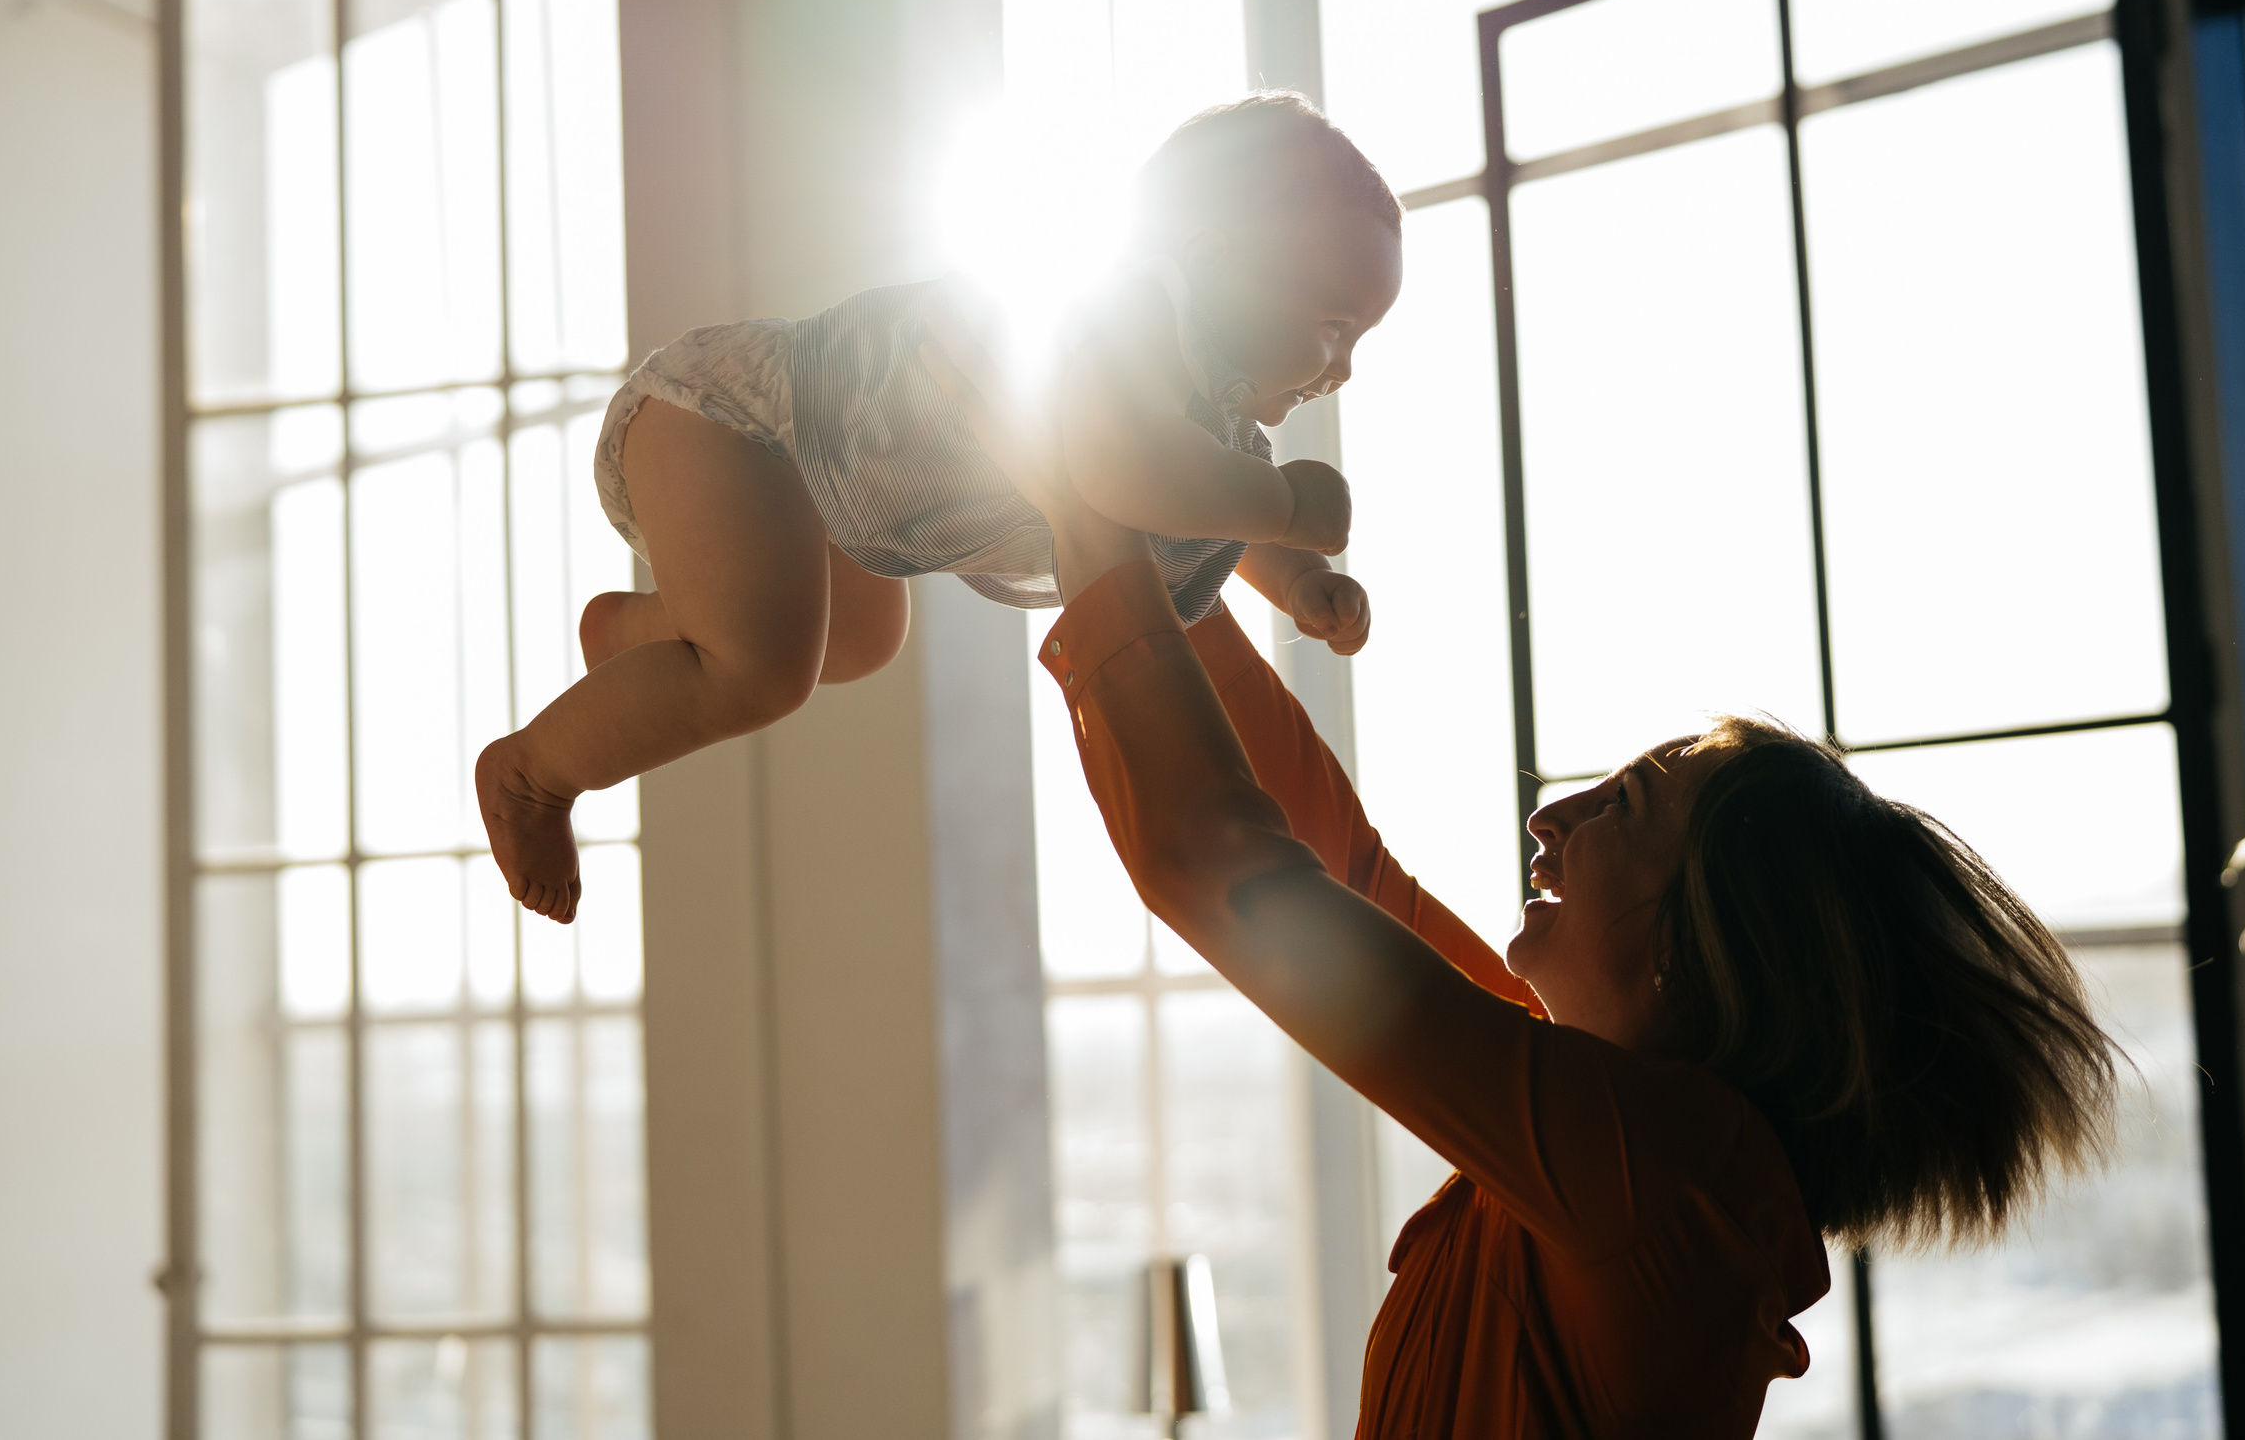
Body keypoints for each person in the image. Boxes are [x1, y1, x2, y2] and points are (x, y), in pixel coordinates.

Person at [920, 320, 2121, 1438]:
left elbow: (1237, 879)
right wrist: (1152, 564)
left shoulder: (1666, 1174)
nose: (1552, 816)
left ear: (1705, 944)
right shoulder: (1621, 1128)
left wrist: (1084, 517)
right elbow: (1341, 867)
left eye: (1626, 808)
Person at [478, 92, 1401, 922]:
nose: (1341, 369)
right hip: (740, 418)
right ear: (1213, 264)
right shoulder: (1127, 322)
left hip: (831, 492)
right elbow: (1140, 472)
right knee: (763, 672)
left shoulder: (1208, 428)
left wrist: (1299, 581)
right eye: (1331, 327)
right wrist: (1287, 504)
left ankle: (656, 632)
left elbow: (1202, 510)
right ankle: (530, 775)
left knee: (861, 639)